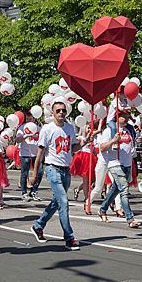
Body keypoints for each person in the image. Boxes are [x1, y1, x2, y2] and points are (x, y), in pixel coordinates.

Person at [30, 101, 89, 251]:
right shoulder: (47, 129)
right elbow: (40, 154)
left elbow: (72, 148)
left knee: (57, 202)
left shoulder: (69, 128)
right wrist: (35, 174)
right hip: (52, 169)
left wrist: (85, 142)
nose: (61, 113)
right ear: (53, 113)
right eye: (58, 111)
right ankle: (69, 238)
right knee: (63, 202)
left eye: (63, 110)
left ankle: (38, 226)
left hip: (65, 170)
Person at [97, 112, 141, 228]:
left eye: (127, 117)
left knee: (115, 190)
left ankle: (102, 210)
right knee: (124, 190)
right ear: (117, 118)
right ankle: (130, 219)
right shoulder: (109, 131)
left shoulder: (129, 130)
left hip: (126, 165)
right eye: (124, 117)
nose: (126, 119)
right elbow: (101, 148)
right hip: (115, 164)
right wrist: (113, 141)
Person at [15, 111, 42, 201]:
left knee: (39, 172)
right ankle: (24, 193)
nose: (28, 121)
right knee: (24, 173)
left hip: (36, 154)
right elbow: (18, 140)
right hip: (25, 154)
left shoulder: (38, 129)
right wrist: (26, 135)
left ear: (34, 119)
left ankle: (34, 191)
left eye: (30, 119)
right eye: (27, 119)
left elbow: (41, 141)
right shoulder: (22, 128)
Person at [71, 122, 99, 203]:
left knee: (91, 181)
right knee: (86, 181)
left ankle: (78, 189)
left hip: (91, 160)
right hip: (83, 159)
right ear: (83, 128)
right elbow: (74, 145)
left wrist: (99, 157)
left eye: (91, 128)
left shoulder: (93, 138)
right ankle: (87, 198)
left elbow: (93, 150)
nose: (90, 130)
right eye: (88, 128)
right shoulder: (80, 138)